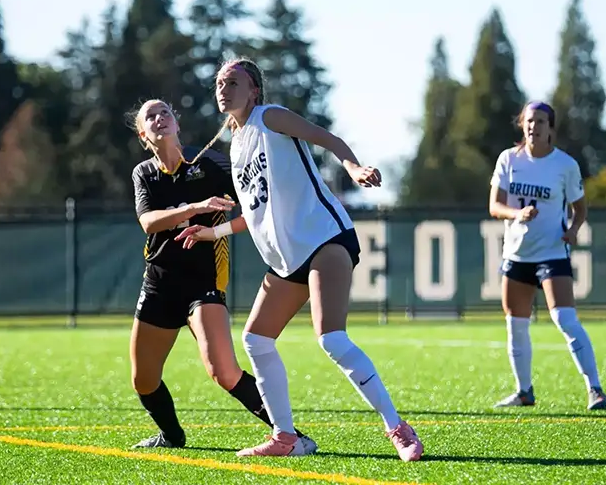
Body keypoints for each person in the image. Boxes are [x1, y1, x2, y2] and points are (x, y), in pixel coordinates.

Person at [175, 59, 424, 461]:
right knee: (256, 339)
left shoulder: (269, 117)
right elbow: (254, 212)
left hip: (324, 237)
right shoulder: (236, 146)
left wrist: (353, 166)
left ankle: (398, 428)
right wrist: (212, 232)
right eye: (219, 82)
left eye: (233, 82)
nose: (223, 88)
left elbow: (325, 138)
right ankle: (285, 437)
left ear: (254, 90)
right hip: (287, 258)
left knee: (332, 339)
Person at [126, 98, 318, 453]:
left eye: (165, 112)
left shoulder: (211, 162)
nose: (159, 119)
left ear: (177, 124)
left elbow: (255, 208)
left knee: (223, 371)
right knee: (143, 380)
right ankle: (172, 436)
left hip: (204, 282)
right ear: (143, 134)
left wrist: (219, 231)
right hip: (159, 282)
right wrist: (197, 208)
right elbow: (148, 222)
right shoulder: (144, 173)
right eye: (150, 117)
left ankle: (291, 435)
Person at [487, 100, 606, 411]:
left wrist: (573, 229)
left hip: (552, 253)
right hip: (516, 255)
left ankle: (595, 389)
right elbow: (494, 206)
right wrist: (517, 213)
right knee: (516, 324)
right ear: (522, 125)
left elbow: (579, 208)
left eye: (541, 121)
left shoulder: (565, 165)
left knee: (565, 319)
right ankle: (524, 391)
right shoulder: (508, 159)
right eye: (529, 121)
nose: (533, 126)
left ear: (550, 128)